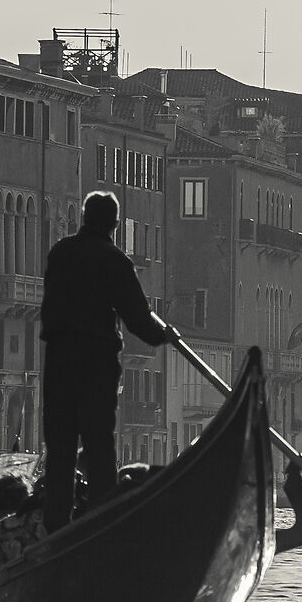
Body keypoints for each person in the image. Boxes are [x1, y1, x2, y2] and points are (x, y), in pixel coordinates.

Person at [40, 191, 173, 532]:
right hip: (95, 365)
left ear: (85, 217)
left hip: (58, 364)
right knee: (99, 446)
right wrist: (164, 335)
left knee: (60, 450)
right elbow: (138, 319)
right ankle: (102, 525)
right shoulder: (114, 261)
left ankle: (55, 527)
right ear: (114, 224)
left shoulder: (60, 253)